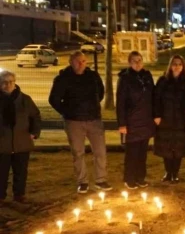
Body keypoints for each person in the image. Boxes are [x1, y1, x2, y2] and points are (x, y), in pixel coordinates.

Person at [49, 51, 111, 193]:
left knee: (100, 151)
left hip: (94, 119)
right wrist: (68, 112)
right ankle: (82, 182)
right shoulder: (63, 79)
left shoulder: (93, 77)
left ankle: (101, 179)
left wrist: (93, 106)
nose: (81, 64)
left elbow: (100, 93)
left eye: (83, 61)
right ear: (71, 62)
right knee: (78, 153)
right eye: (78, 61)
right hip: (74, 122)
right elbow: (54, 99)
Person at [0, 71, 40, 204]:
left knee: (21, 171)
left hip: (21, 141)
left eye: (11, 81)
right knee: (1, 172)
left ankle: (19, 194)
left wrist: (34, 132)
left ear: (15, 82)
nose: (8, 85)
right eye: (4, 82)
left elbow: (35, 116)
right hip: (2, 143)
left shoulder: (25, 100)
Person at [116, 51, 155, 189]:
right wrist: (122, 124)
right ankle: (130, 178)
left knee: (142, 152)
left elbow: (153, 96)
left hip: (145, 120)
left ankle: (140, 177)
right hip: (131, 121)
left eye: (139, 60)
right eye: (134, 61)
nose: (137, 63)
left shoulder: (147, 76)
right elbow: (120, 102)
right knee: (132, 152)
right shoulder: (125, 78)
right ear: (129, 63)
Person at [154, 55, 185, 183]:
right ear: (170, 65)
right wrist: (157, 115)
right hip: (166, 119)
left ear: (183, 66)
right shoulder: (163, 81)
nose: (177, 66)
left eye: (179, 64)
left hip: (181, 120)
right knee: (166, 147)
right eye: (174, 64)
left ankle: (175, 172)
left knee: (179, 148)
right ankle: (168, 172)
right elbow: (156, 99)